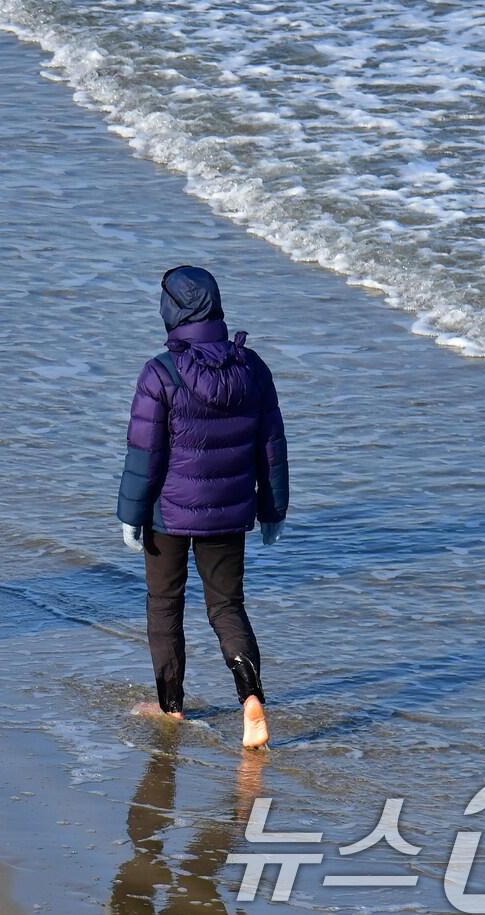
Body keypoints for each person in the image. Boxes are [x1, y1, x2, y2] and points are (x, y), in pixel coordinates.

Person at [117, 265, 288, 748]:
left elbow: (144, 455)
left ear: (172, 311)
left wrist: (130, 514)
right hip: (231, 512)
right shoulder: (252, 367)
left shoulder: (160, 372)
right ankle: (251, 699)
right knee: (227, 606)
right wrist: (273, 510)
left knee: (164, 605)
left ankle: (171, 707)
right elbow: (271, 446)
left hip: (166, 515)